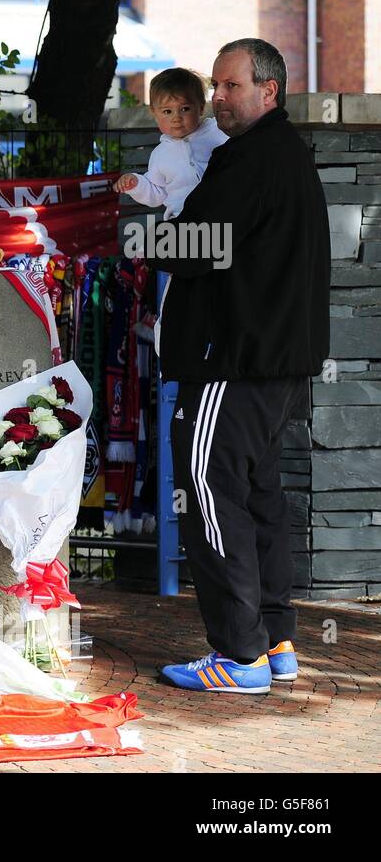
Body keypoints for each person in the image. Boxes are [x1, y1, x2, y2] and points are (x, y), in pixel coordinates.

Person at [155, 39, 329, 695]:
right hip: (278, 362)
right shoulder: (285, 155)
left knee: (208, 486)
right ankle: (276, 641)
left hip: (234, 359)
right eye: (215, 85)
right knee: (257, 493)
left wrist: (142, 233)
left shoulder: (251, 160)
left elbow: (191, 247)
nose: (217, 98)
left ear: (268, 92)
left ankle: (239, 654)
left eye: (230, 87)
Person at [113, 67, 227, 221]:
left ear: (200, 107)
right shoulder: (161, 154)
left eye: (185, 109)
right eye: (167, 111)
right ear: (154, 112)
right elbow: (156, 193)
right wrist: (136, 183)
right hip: (182, 220)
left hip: (224, 213)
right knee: (153, 243)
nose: (176, 118)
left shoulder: (218, 131)